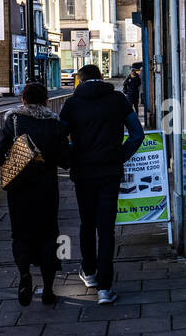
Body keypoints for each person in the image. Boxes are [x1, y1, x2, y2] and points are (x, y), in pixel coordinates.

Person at [59, 64, 144, 305]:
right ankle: (105, 288)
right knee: (106, 227)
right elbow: (137, 134)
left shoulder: (71, 104)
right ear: (101, 78)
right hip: (110, 171)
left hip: (83, 173)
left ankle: (89, 272)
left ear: (80, 81)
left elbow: (59, 137)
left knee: (87, 222)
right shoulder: (117, 100)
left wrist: (71, 157)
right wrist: (120, 155)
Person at [0, 81, 70, 307]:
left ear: (23, 99)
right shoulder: (55, 124)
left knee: (20, 234)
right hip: (46, 188)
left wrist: (16, 160)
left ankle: (25, 274)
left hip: (19, 189)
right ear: (46, 100)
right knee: (49, 235)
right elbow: (66, 160)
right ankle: (48, 289)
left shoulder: (14, 120)